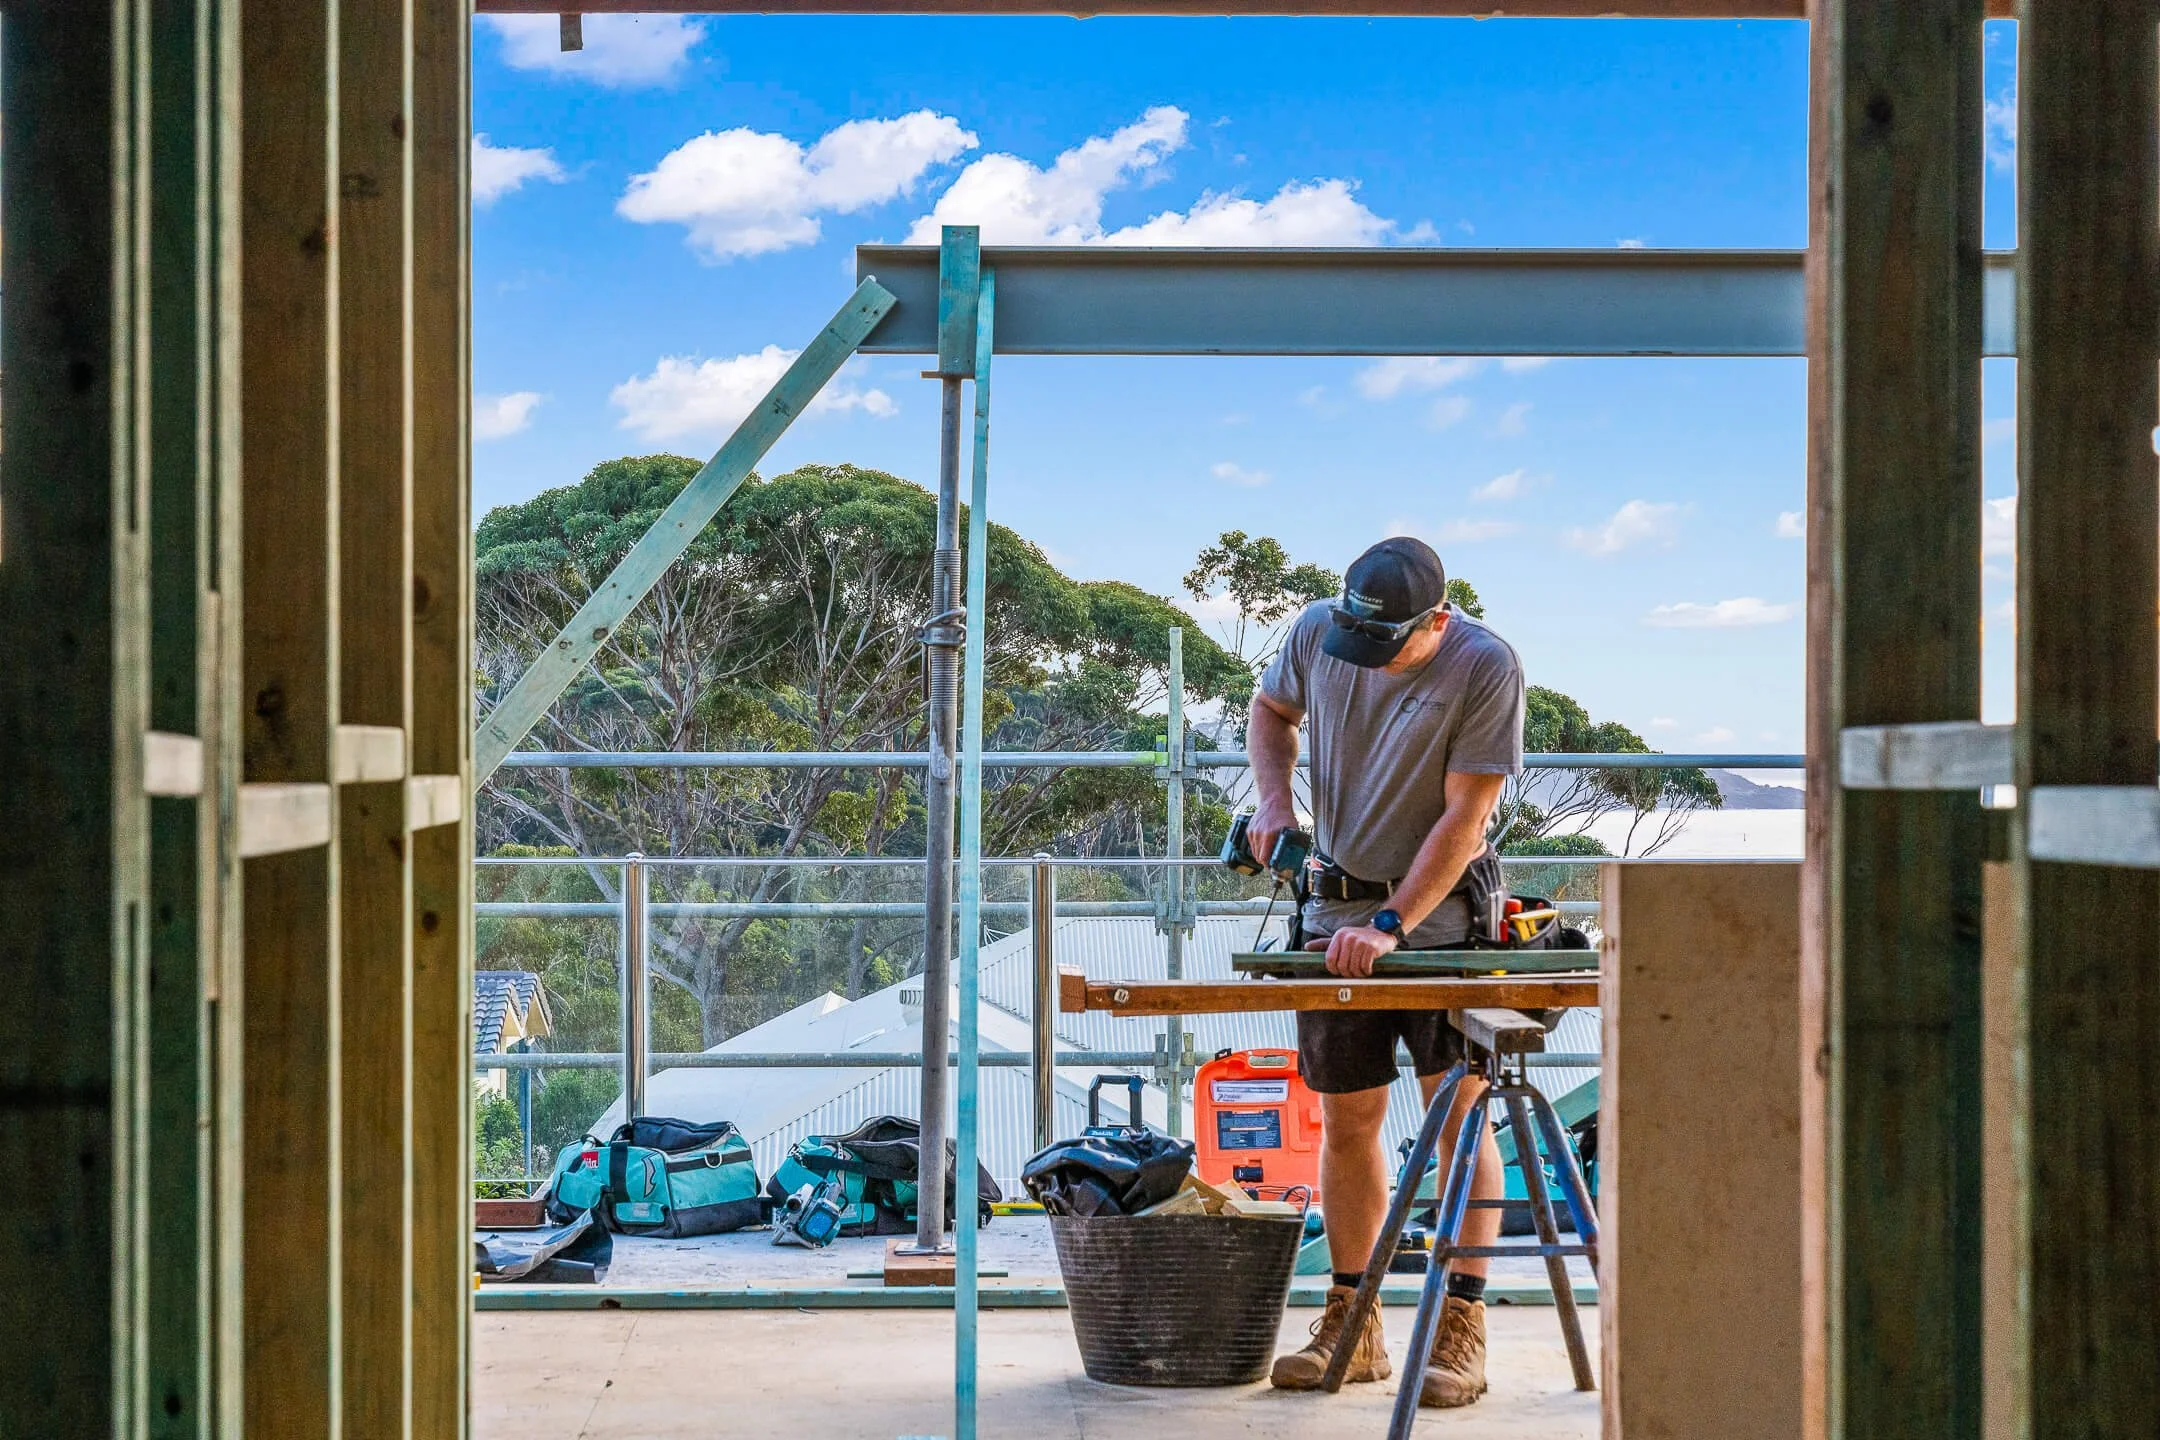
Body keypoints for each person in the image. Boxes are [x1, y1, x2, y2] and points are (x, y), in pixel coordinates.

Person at [1249, 535, 1525, 1409]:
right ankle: (1353, 1320)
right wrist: (1272, 799)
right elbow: (1270, 713)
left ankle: (1459, 1324)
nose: (1364, 658)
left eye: (1389, 645)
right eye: (1354, 638)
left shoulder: (1485, 666)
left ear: (1436, 620)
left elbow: (1467, 815)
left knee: (1458, 1120)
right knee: (1348, 1120)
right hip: (1333, 914)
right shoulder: (1318, 631)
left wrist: (1393, 921)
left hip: (1441, 922)